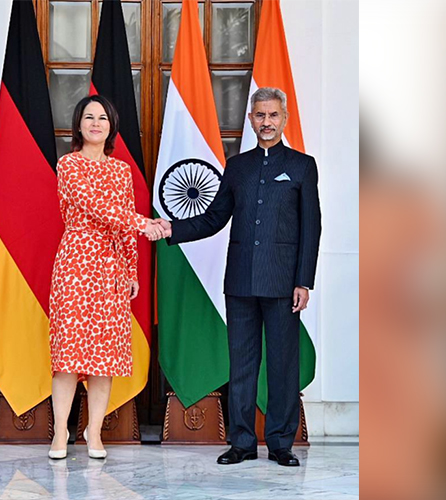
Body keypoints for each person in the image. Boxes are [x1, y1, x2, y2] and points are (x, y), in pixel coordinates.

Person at [156, 87, 321, 467]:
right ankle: (242, 443)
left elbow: (311, 228)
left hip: (283, 284)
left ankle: (280, 443)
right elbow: (215, 218)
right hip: (241, 282)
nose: (266, 122)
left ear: (284, 119)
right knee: (242, 364)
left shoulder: (302, 165)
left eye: (273, 115)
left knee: (282, 365)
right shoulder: (238, 166)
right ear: (251, 119)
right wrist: (172, 229)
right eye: (260, 116)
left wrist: (303, 281)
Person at [47, 95, 167, 460]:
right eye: (89, 117)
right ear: (79, 125)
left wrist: (131, 271)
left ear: (111, 126)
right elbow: (97, 208)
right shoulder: (67, 165)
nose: (96, 123)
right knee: (68, 356)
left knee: (103, 355)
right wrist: (145, 224)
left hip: (110, 267)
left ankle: (94, 432)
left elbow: (123, 223)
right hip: (74, 263)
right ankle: (60, 434)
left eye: (103, 118)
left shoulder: (122, 172)